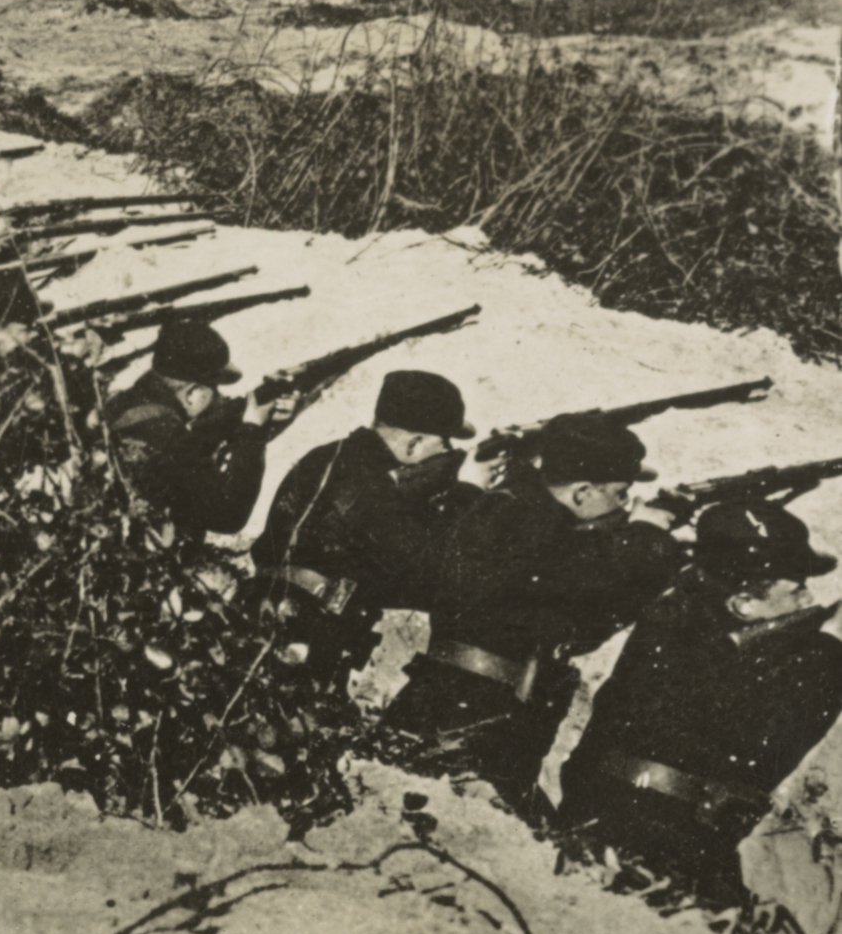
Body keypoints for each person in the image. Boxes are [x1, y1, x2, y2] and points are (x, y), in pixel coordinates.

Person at [378, 412, 682, 816]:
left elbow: (583, 624)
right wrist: (645, 539)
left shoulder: (518, 511)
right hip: (469, 726)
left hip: (476, 718)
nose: (624, 505)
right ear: (582, 492)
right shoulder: (519, 522)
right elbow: (577, 603)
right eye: (620, 493)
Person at [560, 500, 842, 904]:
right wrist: (832, 651)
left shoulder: (679, 615)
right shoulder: (700, 644)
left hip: (611, 820)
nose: (806, 600)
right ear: (743, 604)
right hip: (654, 847)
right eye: (796, 590)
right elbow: (769, 752)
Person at [249, 371, 502, 681]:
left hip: (264, 614)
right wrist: (469, 493)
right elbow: (424, 574)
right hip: (308, 636)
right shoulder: (380, 487)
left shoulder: (326, 456)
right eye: (444, 444)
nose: (447, 453)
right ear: (414, 443)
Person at [105, 320, 292, 537]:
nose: (218, 398)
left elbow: (191, 449)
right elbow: (229, 516)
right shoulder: (166, 433)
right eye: (214, 389)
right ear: (191, 392)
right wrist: (252, 432)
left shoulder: (128, 404)